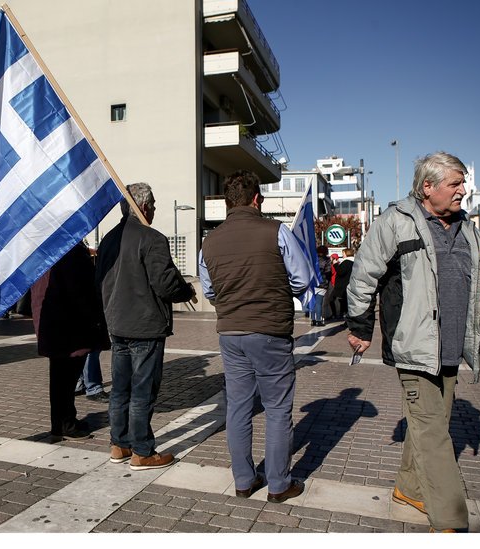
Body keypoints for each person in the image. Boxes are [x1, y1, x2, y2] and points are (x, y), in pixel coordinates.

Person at [346, 152, 480, 533]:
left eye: (462, 183)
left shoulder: (467, 227)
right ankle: (450, 519)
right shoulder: (395, 221)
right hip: (413, 345)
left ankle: (408, 489)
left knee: (433, 424)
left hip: (452, 346)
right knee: (433, 431)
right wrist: (360, 326)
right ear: (428, 187)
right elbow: (363, 275)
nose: (462, 191)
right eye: (454, 184)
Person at [199, 169, 310, 504]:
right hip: (270, 330)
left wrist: (233, 302)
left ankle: (244, 481)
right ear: (256, 199)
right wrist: (276, 292)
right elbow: (302, 279)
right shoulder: (275, 231)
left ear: (225, 202)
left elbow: (210, 290)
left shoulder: (210, 241)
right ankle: (278, 484)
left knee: (238, 408)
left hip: (231, 333)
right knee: (277, 408)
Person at [96, 182, 195, 470]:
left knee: (120, 389)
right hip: (145, 326)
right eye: (152, 205)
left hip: (117, 324)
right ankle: (142, 451)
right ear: (143, 206)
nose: (153, 210)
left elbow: (98, 283)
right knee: (142, 391)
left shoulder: (108, 240)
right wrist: (186, 291)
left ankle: (119, 444)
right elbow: (165, 284)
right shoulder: (152, 238)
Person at [31, 241, 110, 441]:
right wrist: (94, 319)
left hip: (54, 324)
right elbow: (80, 289)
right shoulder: (68, 251)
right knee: (65, 378)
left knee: (60, 378)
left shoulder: (45, 250)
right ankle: (65, 423)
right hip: (69, 326)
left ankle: (62, 422)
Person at [328, 248, 354, 321]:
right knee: (343, 301)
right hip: (348, 284)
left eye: (343, 253)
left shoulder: (346, 262)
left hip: (342, 286)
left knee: (336, 300)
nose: (342, 255)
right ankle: (342, 315)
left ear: (346, 253)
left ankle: (340, 315)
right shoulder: (353, 262)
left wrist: (335, 264)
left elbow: (340, 272)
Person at [311, 245, 332, 326]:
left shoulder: (313, 259)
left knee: (313, 302)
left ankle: (313, 320)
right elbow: (328, 271)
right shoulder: (327, 260)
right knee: (319, 303)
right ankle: (318, 320)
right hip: (322, 283)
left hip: (313, 283)